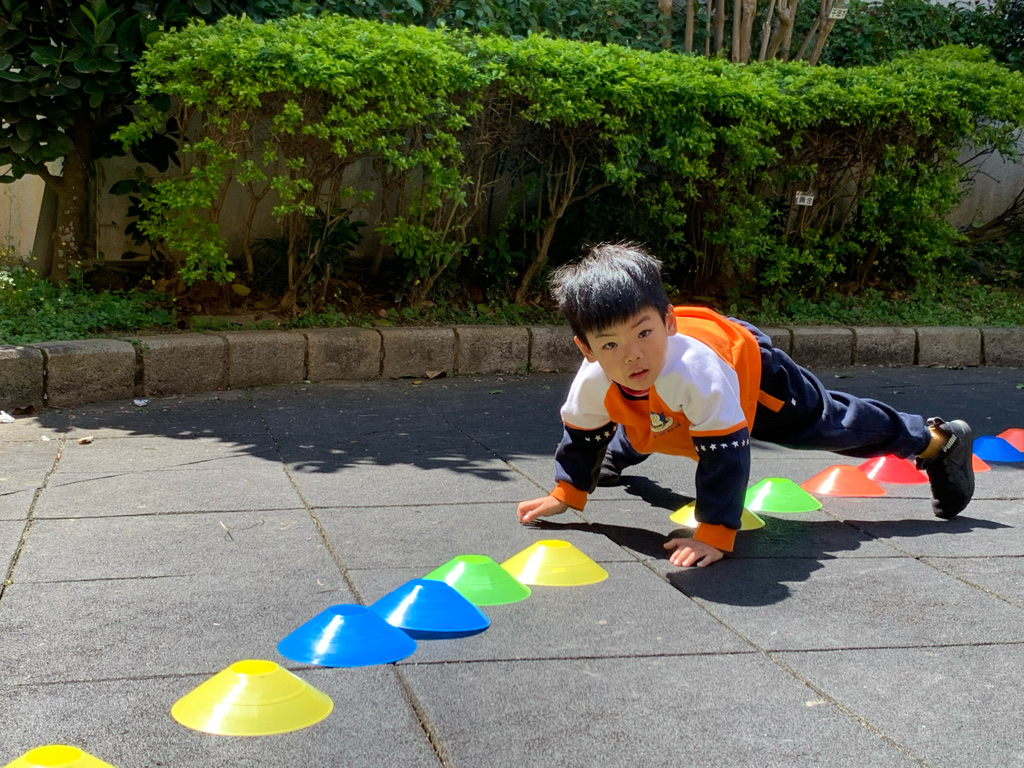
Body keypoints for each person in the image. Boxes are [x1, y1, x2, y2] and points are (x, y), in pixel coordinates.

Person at [516, 243, 975, 568]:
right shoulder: (595, 380)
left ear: (669, 322)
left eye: (644, 333)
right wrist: (567, 493)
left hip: (750, 371)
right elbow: (582, 433)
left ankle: (935, 440)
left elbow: (725, 455)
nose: (632, 354)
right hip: (668, 404)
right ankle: (621, 452)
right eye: (611, 344)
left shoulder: (695, 373)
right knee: (643, 416)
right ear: (587, 350)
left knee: (828, 424)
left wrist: (714, 533)